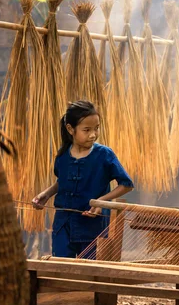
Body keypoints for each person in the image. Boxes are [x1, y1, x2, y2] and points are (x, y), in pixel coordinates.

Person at [32, 100, 134, 258]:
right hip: (63, 224)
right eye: (86, 130)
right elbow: (63, 182)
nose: (93, 134)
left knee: (89, 273)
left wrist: (101, 202)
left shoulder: (104, 155)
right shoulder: (63, 156)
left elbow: (126, 184)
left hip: (93, 226)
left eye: (96, 128)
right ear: (70, 129)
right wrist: (46, 194)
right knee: (62, 269)